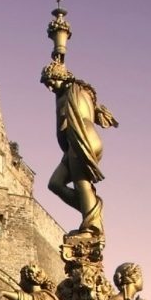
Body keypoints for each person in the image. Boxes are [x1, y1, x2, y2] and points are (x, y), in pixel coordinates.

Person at [42, 60, 118, 238]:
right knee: (55, 183)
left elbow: (63, 122)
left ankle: (91, 228)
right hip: (81, 139)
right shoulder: (79, 90)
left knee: (81, 183)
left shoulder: (70, 91)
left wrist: (59, 51)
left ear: (61, 76)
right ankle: (91, 214)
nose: (50, 88)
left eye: (51, 83)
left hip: (81, 136)